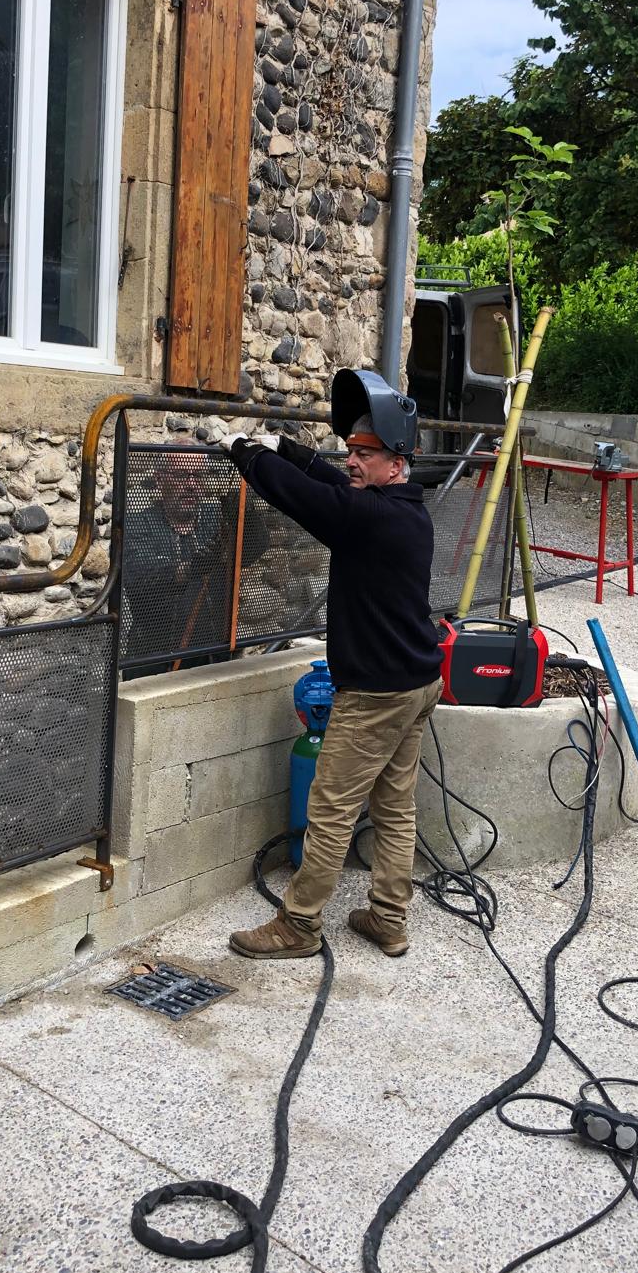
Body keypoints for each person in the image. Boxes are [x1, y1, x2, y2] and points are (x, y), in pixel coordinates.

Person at [218, 370, 442, 960]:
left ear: (397, 462)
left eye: (365, 454)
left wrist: (245, 451)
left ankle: (298, 924)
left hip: (374, 694)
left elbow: (308, 499)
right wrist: (290, 450)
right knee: (394, 806)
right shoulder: (406, 508)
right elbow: (334, 484)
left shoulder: (370, 518)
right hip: (416, 682)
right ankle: (388, 918)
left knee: (331, 808)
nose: (352, 460)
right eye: (351, 450)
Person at [122, 442, 268, 677]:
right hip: (154, 661)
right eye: (181, 475)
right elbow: (139, 576)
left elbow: (251, 551)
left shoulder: (216, 516)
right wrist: (192, 568)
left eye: (198, 475)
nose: (191, 484)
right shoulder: (137, 524)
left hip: (214, 658)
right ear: (160, 479)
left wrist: (246, 515)